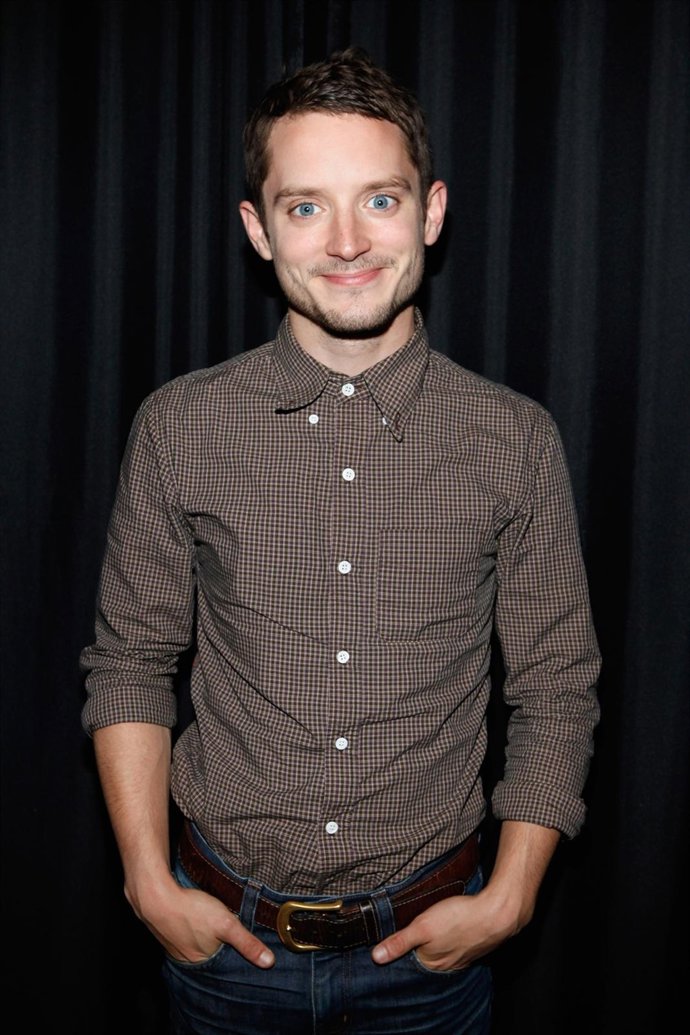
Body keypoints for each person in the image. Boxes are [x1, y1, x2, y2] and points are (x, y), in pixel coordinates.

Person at [80, 46, 601, 1035]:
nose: (349, 241)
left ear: (432, 213)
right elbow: (131, 661)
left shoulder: (514, 438)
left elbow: (555, 679)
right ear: (258, 230)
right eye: (306, 205)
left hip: (434, 967)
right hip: (224, 950)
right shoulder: (179, 426)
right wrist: (148, 882)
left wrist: (514, 895)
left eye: (382, 201)